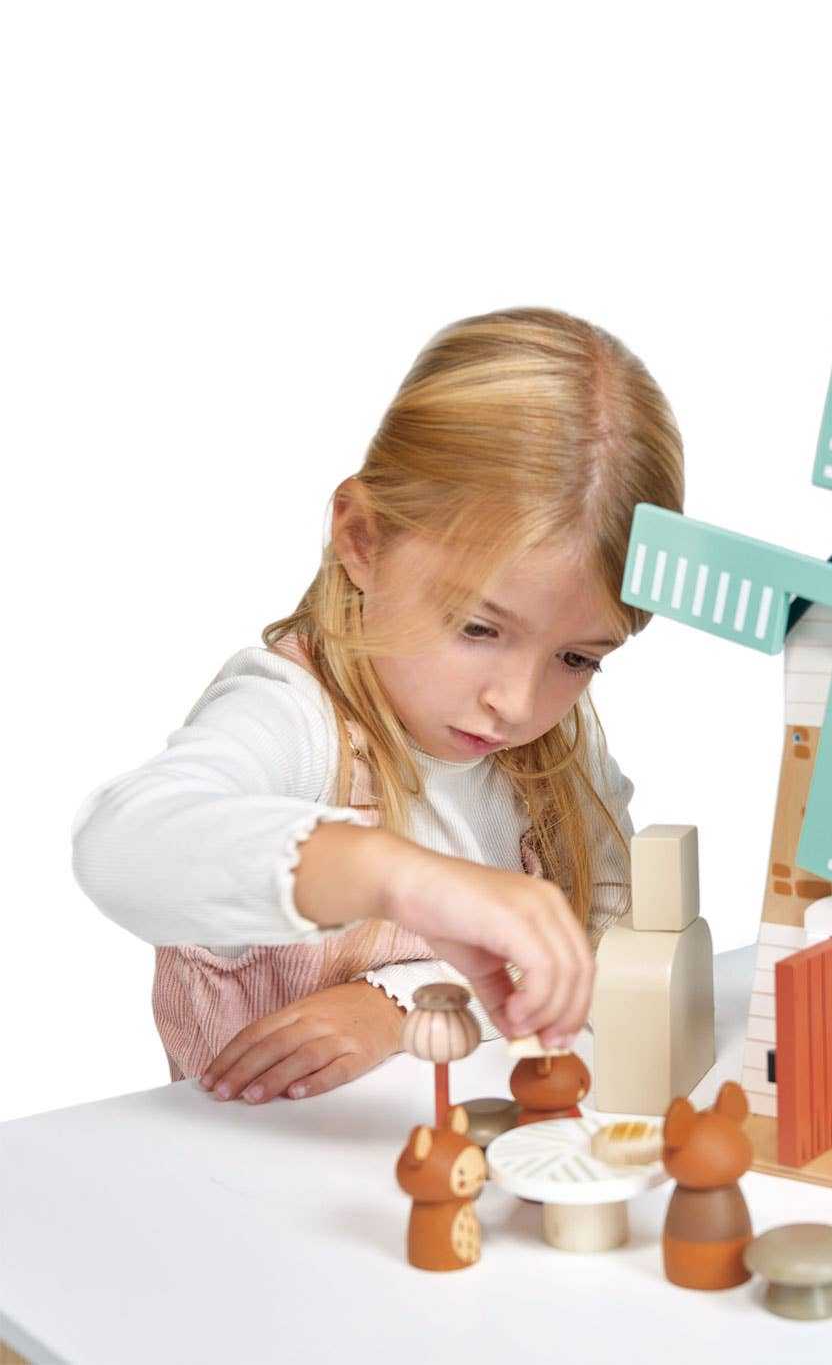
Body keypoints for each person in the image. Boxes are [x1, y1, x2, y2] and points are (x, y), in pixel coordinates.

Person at [72, 307, 684, 1105]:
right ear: (362, 538)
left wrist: (400, 1004)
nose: (517, 702)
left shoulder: (556, 753)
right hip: (259, 1178)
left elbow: (606, 946)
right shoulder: (291, 720)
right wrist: (394, 876)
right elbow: (117, 846)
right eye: (477, 627)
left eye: (576, 659)